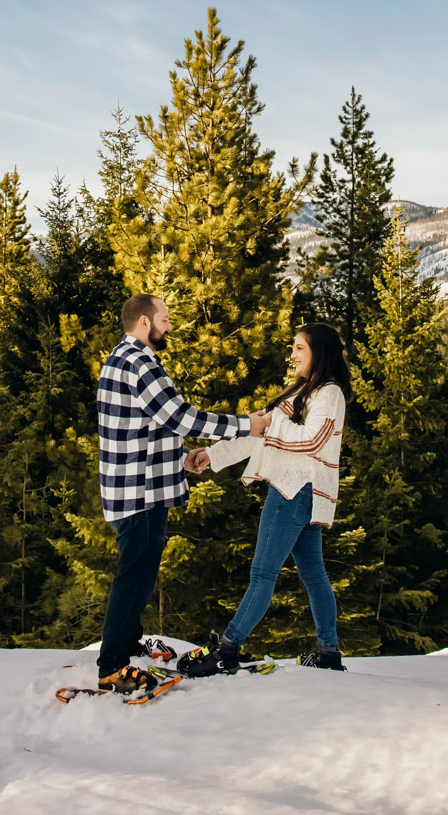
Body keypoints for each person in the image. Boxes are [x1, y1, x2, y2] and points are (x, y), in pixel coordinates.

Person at [94, 292, 270, 691]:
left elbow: (143, 429)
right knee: (133, 574)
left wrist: (183, 459)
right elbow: (179, 416)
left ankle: (126, 643)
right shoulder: (140, 362)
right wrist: (246, 425)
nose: (170, 325)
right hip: (136, 493)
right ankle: (111, 666)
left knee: (141, 572)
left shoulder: (121, 358)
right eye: (165, 319)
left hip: (141, 487)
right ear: (144, 322)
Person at [182, 322, 352, 674]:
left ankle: (227, 649)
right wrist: (213, 456)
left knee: (262, 574)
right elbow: (259, 432)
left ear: (318, 352)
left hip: (293, 491)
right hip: (301, 492)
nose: (291, 355)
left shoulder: (329, 393)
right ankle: (328, 653)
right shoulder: (306, 391)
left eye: (298, 348)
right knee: (314, 575)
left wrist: (278, 421)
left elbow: (311, 440)